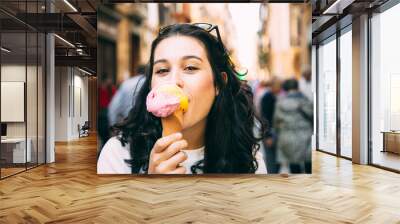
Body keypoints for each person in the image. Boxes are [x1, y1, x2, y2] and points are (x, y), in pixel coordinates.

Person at [97, 23, 267, 174]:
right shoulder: (118, 154)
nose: (173, 82)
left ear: (219, 84)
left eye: (190, 67)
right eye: (162, 70)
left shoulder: (247, 158)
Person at [273, 79, 313, 174]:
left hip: (287, 137)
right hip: (305, 136)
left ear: (285, 89)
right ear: (297, 87)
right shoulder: (306, 101)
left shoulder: (280, 103)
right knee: (308, 163)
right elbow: (312, 116)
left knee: (293, 164)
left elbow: (276, 122)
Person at [260, 77, 281, 173]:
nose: (280, 89)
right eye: (279, 86)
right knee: (271, 161)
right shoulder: (267, 97)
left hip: (275, 132)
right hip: (269, 133)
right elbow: (265, 117)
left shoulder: (276, 96)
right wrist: (268, 136)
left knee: (277, 160)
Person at [98, 76, 117, 149]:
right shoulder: (108, 89)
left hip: (105, 114)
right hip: (104, 114)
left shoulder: (111, 89)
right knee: (105, 135)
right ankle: (105, 148)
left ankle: (104, 148)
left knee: (105, 136)